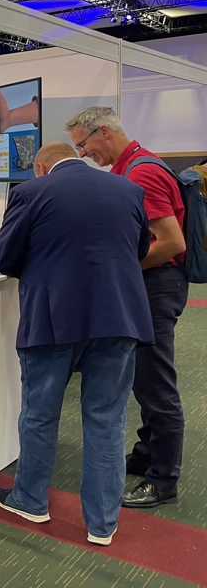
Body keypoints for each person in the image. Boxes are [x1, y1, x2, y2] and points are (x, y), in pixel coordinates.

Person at [0, 142, 154, 546]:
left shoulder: (30, 192)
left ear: (40, 167)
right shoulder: (128, 189)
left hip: (52, 319)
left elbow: (4, 258)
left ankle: (30, 499)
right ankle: (102, 524)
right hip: (118, 317)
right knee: (107, 419)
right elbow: (139, 249)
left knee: (40, 414)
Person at [65, 107, 188, 509]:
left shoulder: (142, 173)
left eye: (83, 144)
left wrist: (121, 268)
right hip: (149, 287)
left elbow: (172, 242)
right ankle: (147, 454)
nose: (82, 154)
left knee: (155, 383)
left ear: (104, 131)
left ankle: (163, 480)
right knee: (142, 377)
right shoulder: (130, 167)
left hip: (156, 288)